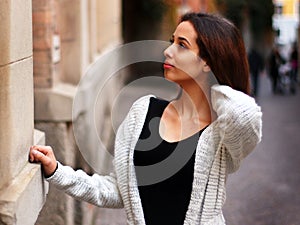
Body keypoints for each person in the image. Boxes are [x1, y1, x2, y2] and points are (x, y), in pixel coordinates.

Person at [29, 13, 262, 225]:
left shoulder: (223, 132)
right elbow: (116, 190)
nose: (168, 51)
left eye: (182, 45)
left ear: (207, 62)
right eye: (172, 41)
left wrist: (212, 88)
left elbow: (245, 115)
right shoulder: (142, 113)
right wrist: (57, 171)